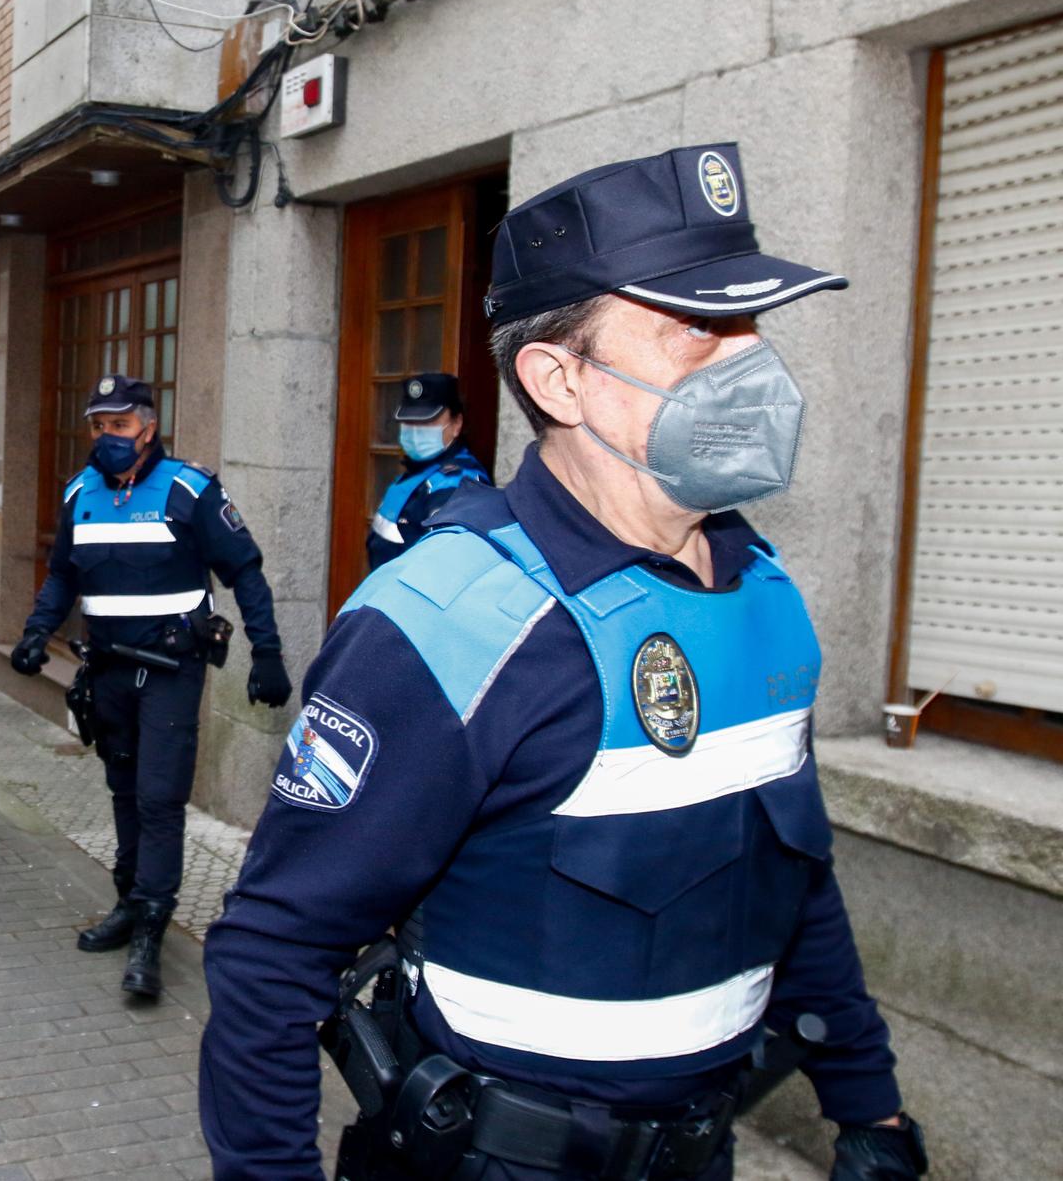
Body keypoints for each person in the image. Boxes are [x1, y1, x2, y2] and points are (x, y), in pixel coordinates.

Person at [199, 145, 927, 1181]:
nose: (749, 366)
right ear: (557, 378)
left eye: (751, 327)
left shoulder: (762, 595)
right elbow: (272, 955)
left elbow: (793, 874)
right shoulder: (447, 623)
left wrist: (868, 1107)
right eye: (695, 332)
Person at [10, 375, 294, 1000]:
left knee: (159, 799)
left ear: (148, 425)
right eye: (99, 425)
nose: (108, 436)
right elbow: (63, 576)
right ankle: (129, 902)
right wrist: (35, 632)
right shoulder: (80, 492)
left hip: (169, 671)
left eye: (119, 424)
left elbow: (245, 570)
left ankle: (152, 930)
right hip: (107, 670)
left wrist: (266, 652)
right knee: (122, 790)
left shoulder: (189, 489)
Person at [366, 371, 491, 570]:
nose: (416, 430)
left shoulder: (459, 483)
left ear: (457, 423)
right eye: (409, 422)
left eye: (428, 421)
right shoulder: (416, 473)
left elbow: (445, 568)